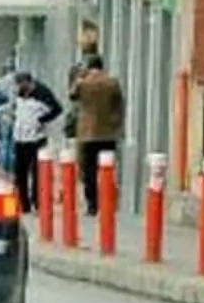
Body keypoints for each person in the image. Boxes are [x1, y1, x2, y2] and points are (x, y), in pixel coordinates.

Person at [70, 57, 127, 219]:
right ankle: (108, 202)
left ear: (89, 67)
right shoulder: (112, 82)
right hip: (108, 133)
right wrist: (117, 125)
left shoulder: (83, 82)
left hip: (88, 133)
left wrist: (78, 77)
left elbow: (72, 95)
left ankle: (92, 205)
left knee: (89, 171)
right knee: (108, 169)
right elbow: (119, 105)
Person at [8, 73, 62, 218]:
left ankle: (38, 202)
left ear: (28, 82)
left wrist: (41, 120)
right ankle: (24, 203)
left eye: (21, 84)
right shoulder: (19, 94)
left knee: (37, 172)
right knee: (20, 171)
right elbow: (16, 108)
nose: (19, 87)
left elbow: (57, 108)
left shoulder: (42, 92)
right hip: (20, 137)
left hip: (37, 137)